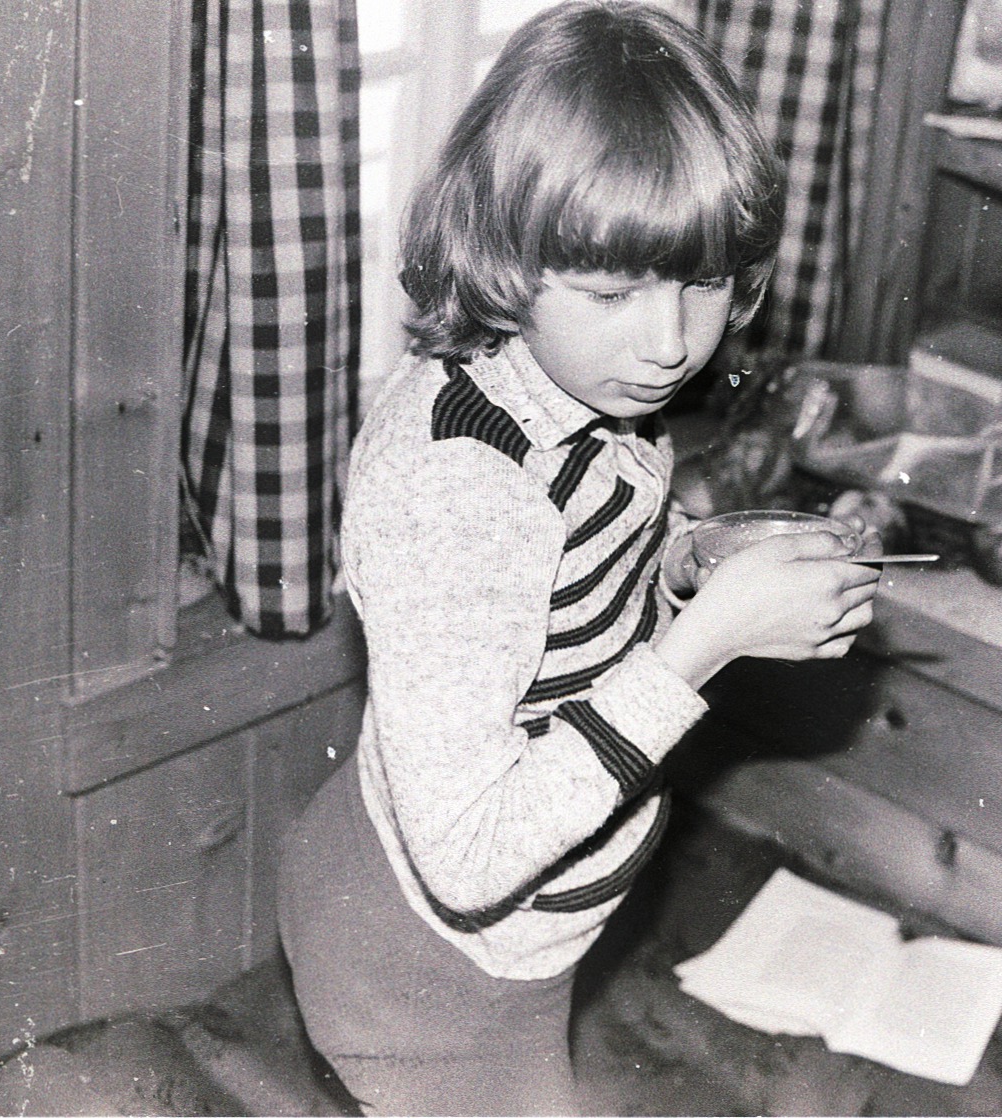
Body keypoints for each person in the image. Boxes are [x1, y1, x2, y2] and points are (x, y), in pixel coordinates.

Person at [276, 3, 882, 1114]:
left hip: (509, 942)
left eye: (701, 282)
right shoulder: (457, 483)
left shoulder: (585, 382)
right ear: (504, 255)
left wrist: (694, 557)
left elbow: (577, 575)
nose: (669, 343)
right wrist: (705, 643)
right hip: (436, 972)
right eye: (613, 292)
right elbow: (468, 853)